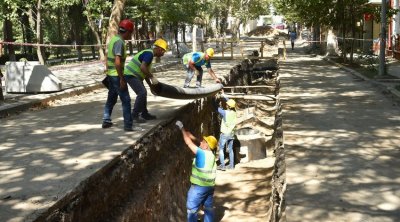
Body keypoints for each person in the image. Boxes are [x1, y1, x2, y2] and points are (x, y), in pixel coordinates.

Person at [102, 19, 141, 131]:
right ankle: (128, 125)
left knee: (112, 98)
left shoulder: (114, 39)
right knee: (126, 100)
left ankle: (106, 120)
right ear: (128, 31)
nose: (131, 35)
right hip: (116, 75)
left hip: (111, 74)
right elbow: (117, 61)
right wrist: (122, 79)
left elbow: (107, 57)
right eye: (131, 33)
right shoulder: (119, 42)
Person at [175, 120, 217, 222]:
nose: (201, 141)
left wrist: (182, 129)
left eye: (204, 141)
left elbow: (188, 143)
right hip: (209, 187)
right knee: (208, 208)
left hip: (198, 188)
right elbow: (200, 144)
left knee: (191, 210)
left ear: (206, 146)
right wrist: (192, 136)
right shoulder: (211, 154)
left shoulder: (201, 154)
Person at [124, 38, 168, 123]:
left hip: (135, 76)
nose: (163, 54)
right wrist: (152, 77)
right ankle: (135, 115)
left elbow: (145, 73)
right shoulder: (149, 54)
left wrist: (151, 86)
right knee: (142, 92)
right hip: (131, 75)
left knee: (143, 93)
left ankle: (144, 114)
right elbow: (143, 68)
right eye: (163, 51)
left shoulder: (149, 55)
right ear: (159, 49)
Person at [214, 93, 237, 170]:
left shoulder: (225, 113)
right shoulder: (234, 112)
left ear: (228, 106)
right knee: (230, 150)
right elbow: (230, 102)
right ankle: (231, 165)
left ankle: (222, 165)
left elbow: (216, 108)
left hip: (224, 133)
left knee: (221, 149)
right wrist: (223, 95)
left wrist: (214, 100)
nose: (226, 105)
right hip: (232, 133)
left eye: (227, 104)